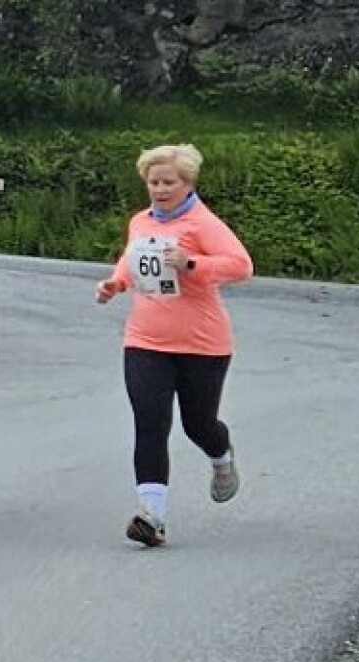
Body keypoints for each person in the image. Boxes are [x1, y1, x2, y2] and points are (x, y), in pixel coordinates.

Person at [95, 143, 253, 548]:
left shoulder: (203, 223)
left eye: (169, 182)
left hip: (202, 343)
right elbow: (132, 263)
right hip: (145, 339)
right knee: (150, 423)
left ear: (188, 183)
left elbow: (240, 265)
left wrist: (192, 264)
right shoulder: (140, 222)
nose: (160, 190)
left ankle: (221, 456)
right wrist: (116, 283)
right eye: (153, 182)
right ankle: (152, 516)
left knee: (198, 425)